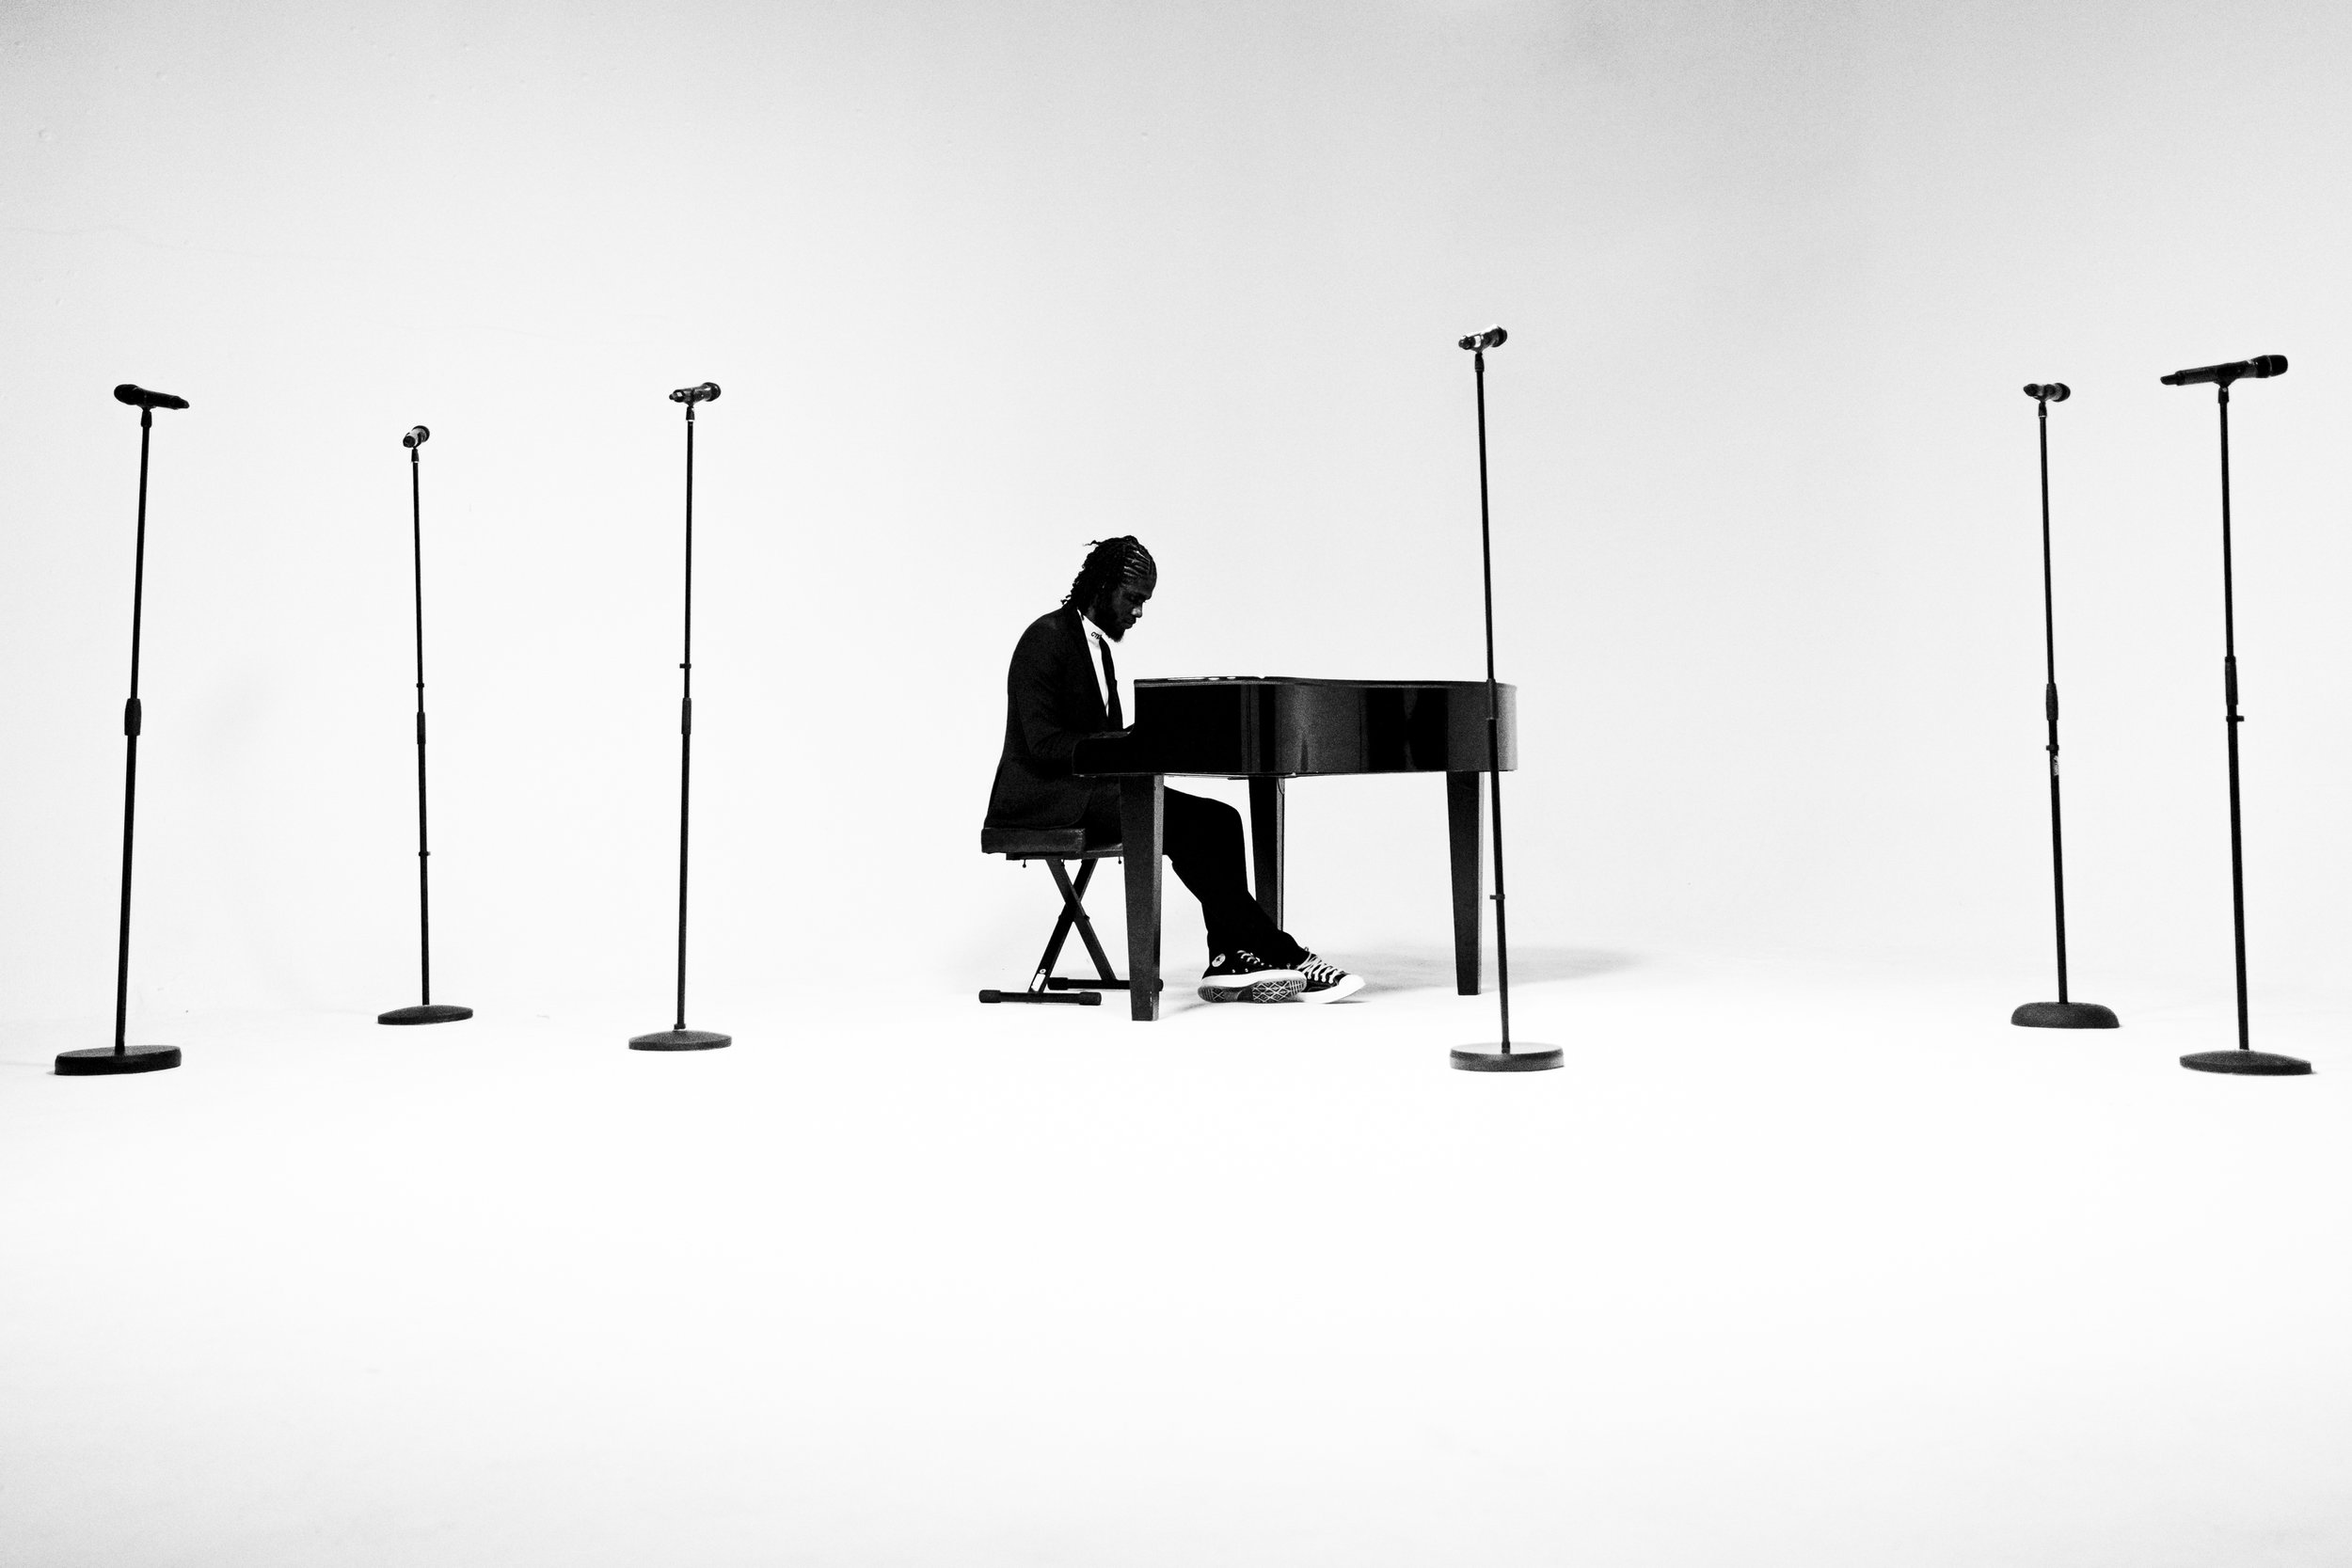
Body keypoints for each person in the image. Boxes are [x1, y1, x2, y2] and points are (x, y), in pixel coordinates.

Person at [985, 537, 1365, 1004]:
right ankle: (1282, 951)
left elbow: (1097, 741)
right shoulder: (1045, 638)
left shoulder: (1097, 649)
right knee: (1184, 824)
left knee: (1221, 819)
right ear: (1103, 587)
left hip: (1087, 789)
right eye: (1133, 599)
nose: (1139, 612)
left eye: (1145, 602)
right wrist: (1125, 742)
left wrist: (1152, 736)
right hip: (1041, 797)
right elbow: (1044, 745)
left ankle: (1225, 958)